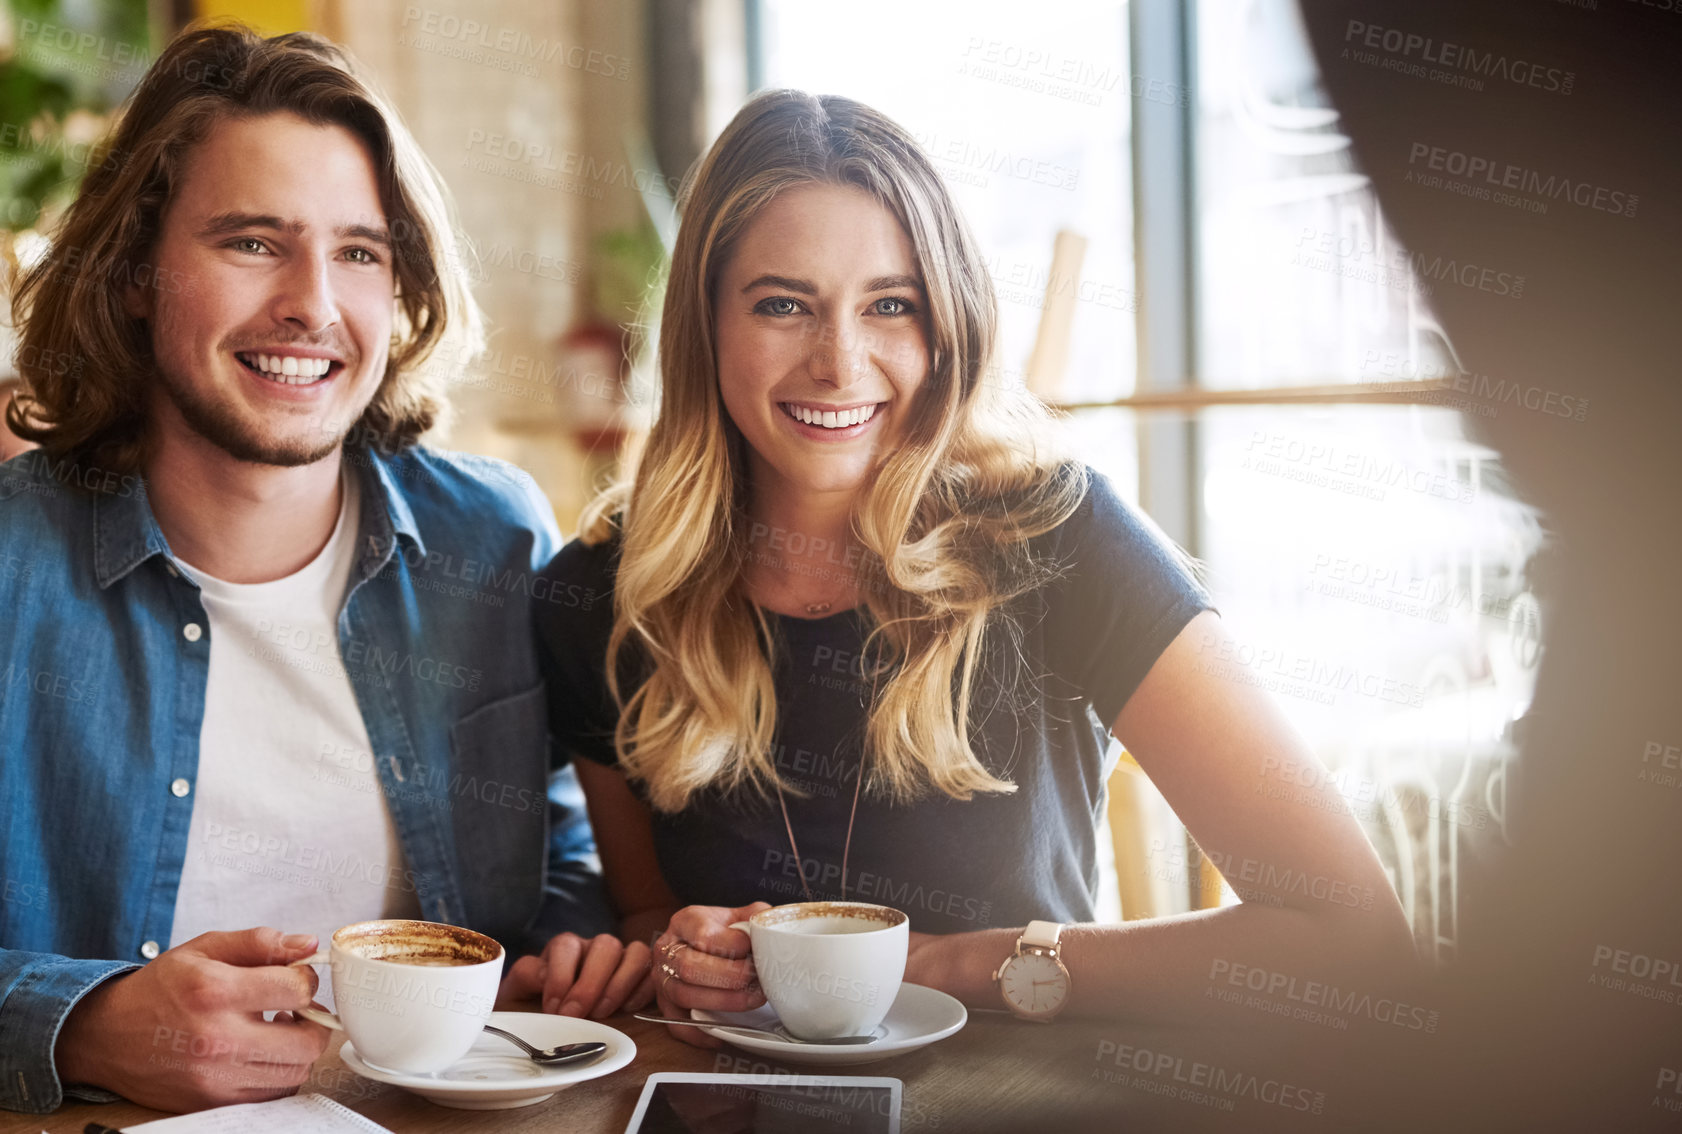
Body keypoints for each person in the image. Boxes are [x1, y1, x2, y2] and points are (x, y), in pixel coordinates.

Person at [535, 89, 1415, 1046]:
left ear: (946, 325)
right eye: (782, 304)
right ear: (704, 327)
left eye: (891, 305)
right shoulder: (603, 595)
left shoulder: (1061, 539)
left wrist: (933, 964)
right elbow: (651, 917)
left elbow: (1354, 941)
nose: (840, 361)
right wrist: (671, 955)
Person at [0, 26, 648, 1116]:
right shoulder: (14, 567)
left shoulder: (492, 542)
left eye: (359, 251)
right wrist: (81, 1024)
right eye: (252, 242)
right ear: (133, 280)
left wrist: (573, 943)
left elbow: (555, 844)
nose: (313, 303)